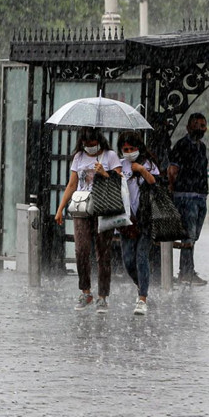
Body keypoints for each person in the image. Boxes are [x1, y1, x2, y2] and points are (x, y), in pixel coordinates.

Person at [55, 127, 122, 314]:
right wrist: (60, 208)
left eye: (92, 144)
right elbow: (72, 184)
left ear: (98, 141)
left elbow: (120, 181)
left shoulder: (110, 156)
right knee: (81, 249)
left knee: (103, 252)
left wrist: (105, 173)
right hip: (82, 208)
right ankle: (86, 291)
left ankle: (103, 296)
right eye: (86, 144)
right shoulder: (78, 157)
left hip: (103, 208)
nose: (89, 147)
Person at [117, 131, 158, 316]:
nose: (128, 152)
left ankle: (142, 298)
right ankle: (141, 284)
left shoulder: (148, 163)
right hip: (127, 220)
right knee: (128, 260)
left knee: (141, 256)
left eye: (132, 148)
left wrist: (141, 169)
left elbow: (154, 182)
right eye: (125, 149)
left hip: (146, 218)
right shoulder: (119, 164)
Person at [168, 113, 209, 286]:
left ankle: (187, 270)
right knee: (188, 235)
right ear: (188, 127)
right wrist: (173, 190)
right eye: (196, 124)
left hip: (200, 196)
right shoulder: (181, 146)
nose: (200, 128)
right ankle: (186, 272)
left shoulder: (202, 147)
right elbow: (172, 171)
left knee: (193, 235)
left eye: (203, 125)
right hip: (186, 196)